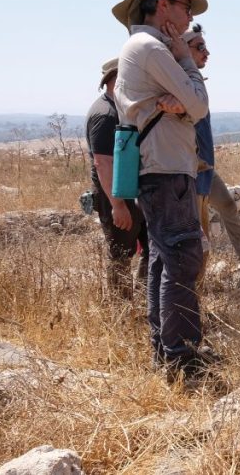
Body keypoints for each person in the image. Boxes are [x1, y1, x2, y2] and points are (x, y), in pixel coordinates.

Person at [111, 0, 215, 383]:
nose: (190, 14)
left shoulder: (140, 49)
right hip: (166, 167)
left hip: (162, 166)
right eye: (184, 6)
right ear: (161, 5)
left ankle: (167, 347)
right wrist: (183, 60)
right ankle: (181, 356)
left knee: (163, 258)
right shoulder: (151, 48)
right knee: (182, 257)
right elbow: (200, 104)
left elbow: (190, 105)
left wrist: (184, 105)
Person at [181, 23, 240, 284]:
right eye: (200, 46)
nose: (207, 52)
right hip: (189, 172)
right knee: (198, 239)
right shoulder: (178, 81)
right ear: (182, 48)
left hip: (205, 170)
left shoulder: (193, 80)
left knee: (227, 205)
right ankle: (192, 295)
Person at [84, 56, 149, 299]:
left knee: (150, 249)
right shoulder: (105, 114)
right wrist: (118, 205)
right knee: (121, 255)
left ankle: (144, 302)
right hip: (116, 195)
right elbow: (102, 163)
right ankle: (121, 313)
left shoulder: (122, 109)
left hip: (132, 191)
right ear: (116, 79)